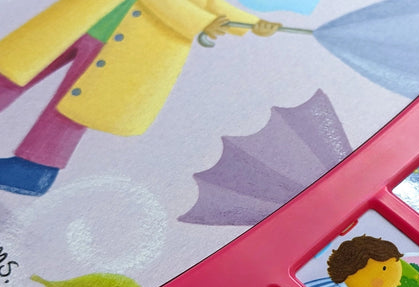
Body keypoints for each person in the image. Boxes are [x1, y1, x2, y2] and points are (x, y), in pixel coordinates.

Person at [0, 0, 280, 195]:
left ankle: (33, 169)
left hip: (129, 45)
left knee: (73, 107)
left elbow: (210, 4)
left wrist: (254, 23)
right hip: (79, 20)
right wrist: (203, 22)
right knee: (12, 70)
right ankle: (33, 169)